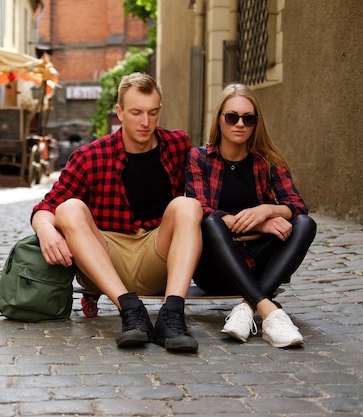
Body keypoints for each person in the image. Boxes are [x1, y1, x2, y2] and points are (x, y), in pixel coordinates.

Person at [31, 72, 202, 352]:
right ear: (120, 113)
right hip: (104, 258)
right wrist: (46, 230)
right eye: (136, 112)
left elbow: (206, 193)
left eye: (152, 112)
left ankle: (172, 315)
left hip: (156, 254)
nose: (145, 122)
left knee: (188, 205)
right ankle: (130, 310)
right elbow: (46, 207)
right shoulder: (90, 156)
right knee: (69, 208)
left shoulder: (178, 144)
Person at [185, 83, 317, 348]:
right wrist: (263, 226)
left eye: (248, 118)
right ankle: (269, 311)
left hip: (259, 265)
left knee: (305, 224)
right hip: (215, 267)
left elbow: (297, 206)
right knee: (211, 221)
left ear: (256, 123)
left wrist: (267, 210)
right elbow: (200, 209)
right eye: (232, 117)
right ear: (219, 119)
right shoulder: (199, 158)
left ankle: (247, 307)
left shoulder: (268, 161)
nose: (240, 124)